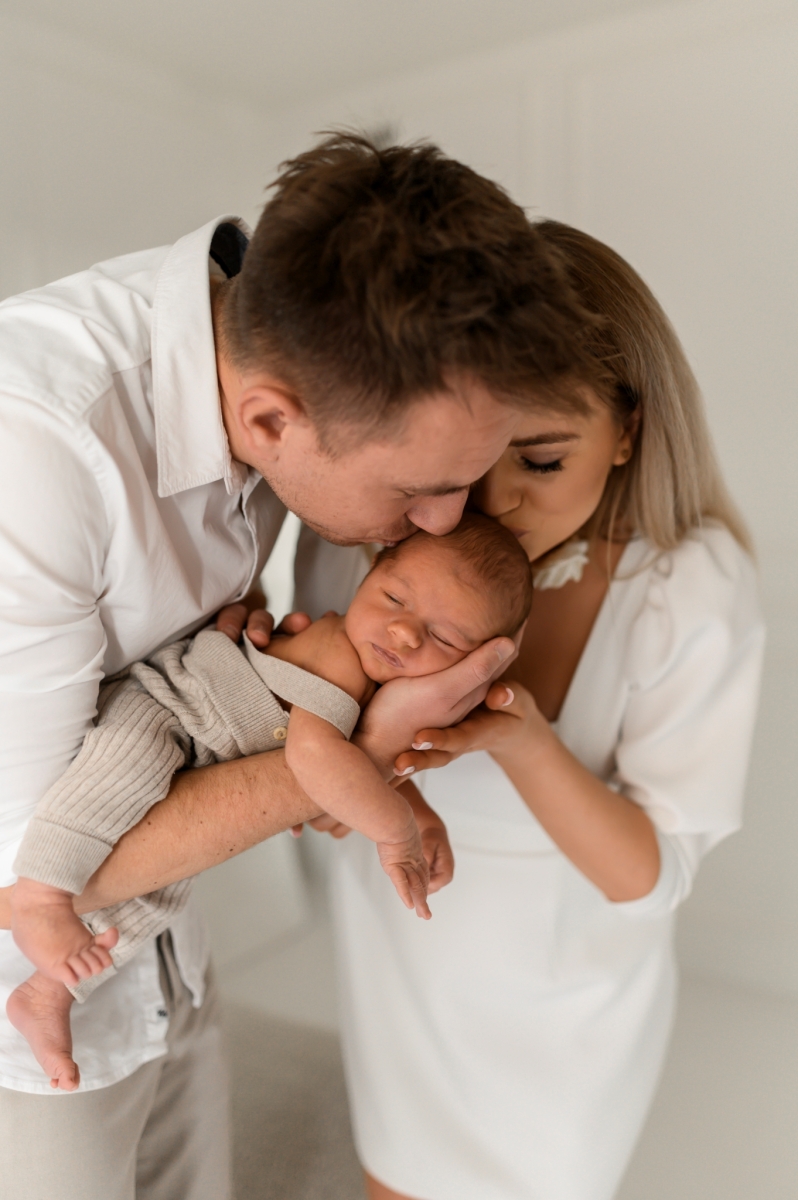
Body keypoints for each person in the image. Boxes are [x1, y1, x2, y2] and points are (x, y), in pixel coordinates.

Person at [0, 133, 590, 1199]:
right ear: (271, 418)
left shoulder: (274, 369)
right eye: (418, 490)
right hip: (30, 1012)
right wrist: (364, 752)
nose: (444, 521)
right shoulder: (36, 452)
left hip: (165, 951)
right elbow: (36, 870)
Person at [328, 221, 766, 1200]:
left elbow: (650, 877)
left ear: (629, 429)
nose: (494, 502)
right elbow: (312, 775)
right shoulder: (377, 551)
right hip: (403, 972)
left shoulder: (685, 589)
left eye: (540, 460)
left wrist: (525, 741)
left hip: (570, 1022)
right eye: (466, 457)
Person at [9, 515, 531, 1093]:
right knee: (119, 776)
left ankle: (48, 990)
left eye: (445, 639)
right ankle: (39, 894)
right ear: (367, 578)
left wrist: (421, 814)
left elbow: (353, 760)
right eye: (393, 598)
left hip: (202, 757)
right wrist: (397, 831)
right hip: (169, 711)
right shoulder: (340, 649)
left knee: (160, 893)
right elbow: (317, 757)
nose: (405, 632)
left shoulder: (381, 681)